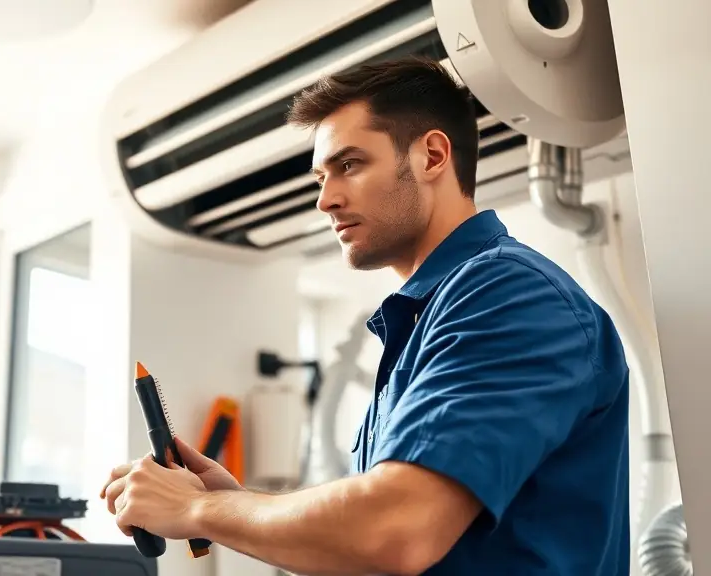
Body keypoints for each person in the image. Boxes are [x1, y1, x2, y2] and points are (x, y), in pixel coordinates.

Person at [100, 56, 630, 575]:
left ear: (432, 156)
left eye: (349, 165)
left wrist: (199, 509)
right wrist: (233, 503)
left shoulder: (506, 294)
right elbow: (370, 542)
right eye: (320, 178)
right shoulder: (428, 318)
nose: (325, 200)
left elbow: (394, 530)